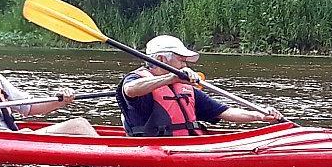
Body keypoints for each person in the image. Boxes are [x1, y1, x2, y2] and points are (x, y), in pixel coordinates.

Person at [117, 35, 282, 137]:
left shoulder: (183, 86)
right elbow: (130, 89)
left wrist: (259, 115)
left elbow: (225, 111)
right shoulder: (137, 79)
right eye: (181, 59)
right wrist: (170, 78)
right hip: (153, 149)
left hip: (187, 144)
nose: (185, 64)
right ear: (161, 59)